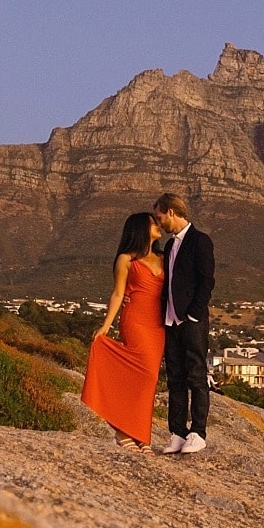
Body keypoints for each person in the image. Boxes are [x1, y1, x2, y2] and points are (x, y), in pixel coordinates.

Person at [80, 212, 166, 453]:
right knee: (144, 374)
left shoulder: (165, 257)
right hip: (135, 320)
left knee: (149, 379)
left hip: (158, 325)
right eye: (153, 222)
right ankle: (122, 432)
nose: (158, 225)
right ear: (140, 228)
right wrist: (106, 325)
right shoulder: (126, 259)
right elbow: (118, 293)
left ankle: (140, 435)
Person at [152, 193, 215, 454]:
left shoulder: (200, 240)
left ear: (171, 212)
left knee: (196, 376)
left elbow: (207, 281)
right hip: (170, 321)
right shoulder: (169, 246)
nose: (159, 222)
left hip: (191, 321)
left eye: (160, 217)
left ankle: (198, 432)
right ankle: (177, 432)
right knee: (175, 378)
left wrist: (193, 315)